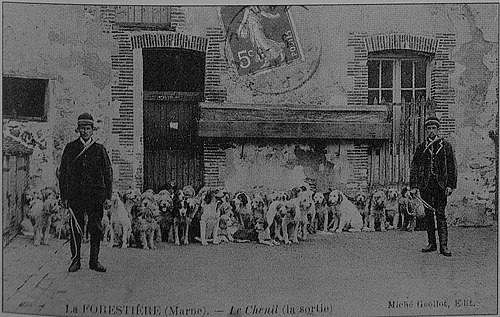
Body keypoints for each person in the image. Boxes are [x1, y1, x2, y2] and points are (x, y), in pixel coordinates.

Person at [59, 113, 113, 272]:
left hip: (96, 196)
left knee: (95, 228)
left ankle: (94, 261)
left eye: (88, 128)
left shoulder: (99, 149)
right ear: (78, 130)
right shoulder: (70, 148)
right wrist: (64, 196)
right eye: (82, 128)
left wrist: (108, 197)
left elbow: (108, 173)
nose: (85, 131)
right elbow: (63, 174)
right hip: (76, 196)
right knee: (75, 227)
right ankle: (75, 260)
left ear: (92, 130)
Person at [410, 116, 457, 257]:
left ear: (438, 129)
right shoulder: (421, 147)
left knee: (441, 214)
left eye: (433, 128)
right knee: (428, 215)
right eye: (429, 128)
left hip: (440, 186)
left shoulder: (446, 146)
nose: (431, 131)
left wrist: (450, 185)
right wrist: (414, 186)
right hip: (426, 185)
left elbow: (452, 166)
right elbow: (414, 167)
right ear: (426, 130)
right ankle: (431, 243)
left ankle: (444, 246)